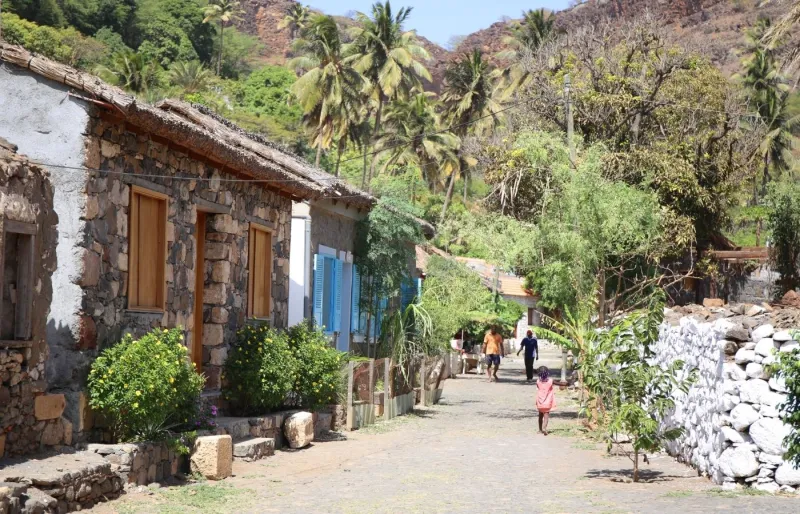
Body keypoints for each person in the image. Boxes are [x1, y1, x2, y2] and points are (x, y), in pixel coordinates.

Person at [536, 366, 555, 435]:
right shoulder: (551, 381)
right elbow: (560, 383)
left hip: (540, 402)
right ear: (547, 373)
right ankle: (544, 428)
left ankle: (540, 430)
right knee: (546, 417)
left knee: (540, 417)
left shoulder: (538, 381)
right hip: (547, 403)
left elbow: (538, 387)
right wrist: (566, 384)